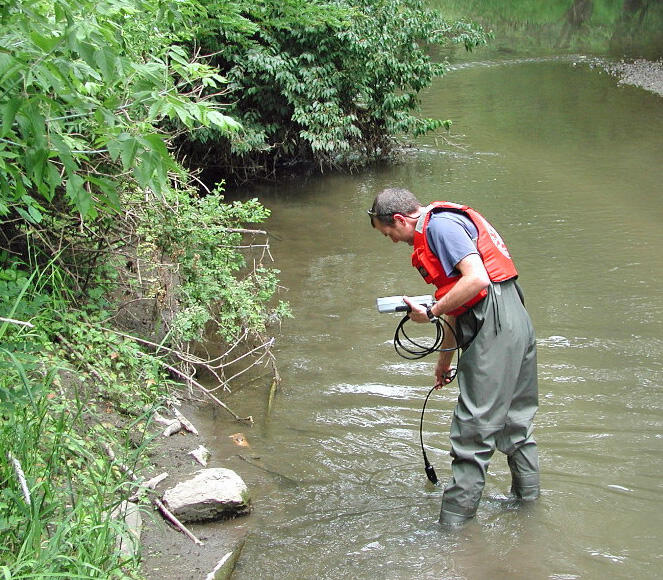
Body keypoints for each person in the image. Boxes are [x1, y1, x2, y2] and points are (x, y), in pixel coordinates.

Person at [368, 187, 539, 525]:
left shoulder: (439, 228)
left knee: (473, 430)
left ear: (401, 219)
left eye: (389, 232)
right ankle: (530, 514)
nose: (391, 239)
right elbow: (458, 300)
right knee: (514, 423)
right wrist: (444, 363)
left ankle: (452, 531)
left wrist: (430, 311)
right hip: (514, 319)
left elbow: (476, 280)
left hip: (495, 324)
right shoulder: (441, 225)